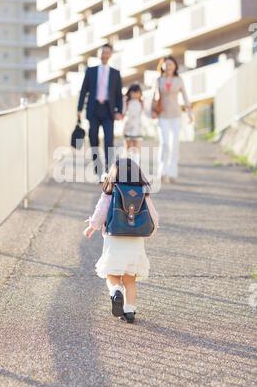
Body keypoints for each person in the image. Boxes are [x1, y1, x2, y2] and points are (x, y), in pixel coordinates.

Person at [83, 158, 159, 324]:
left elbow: (100, 214)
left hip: (114, 240)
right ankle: (129, 310)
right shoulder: (142, 192)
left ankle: (115, 290)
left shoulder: (110, 193)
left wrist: (91, 227)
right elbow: (154, 216)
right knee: (130, 279)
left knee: (112, 275)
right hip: (135, 241)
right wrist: (151, 229)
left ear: (113, 175)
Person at [77, 44, 123, 177]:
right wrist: (79, 109)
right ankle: (98, 170)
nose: (105, 55)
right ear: (99, 54)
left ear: (111, 55)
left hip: (108, 111)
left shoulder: (115, 73)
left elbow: (118, 94)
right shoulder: (90, 71)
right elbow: (84, 91)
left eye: (107, 52)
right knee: (93, 139)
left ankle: (109, 171)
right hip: (94, 109)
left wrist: (119, 110)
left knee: (109, 140)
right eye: (103, 52)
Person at [152, 56, 194, 184]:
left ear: (175, 66)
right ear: (162, 66)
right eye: (166, 65)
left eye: (171, 64)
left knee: (175, 144)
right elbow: (154, 97)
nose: (169, 67)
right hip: (163, 116)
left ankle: (172, 173)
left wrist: (189, 113)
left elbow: (185, 97)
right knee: (164, 144)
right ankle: (162, 172)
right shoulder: (158, 80)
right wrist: (153, 111)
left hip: (176, 115)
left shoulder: (179, 80)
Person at [123, 83, 144, 165]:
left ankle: (135, 165)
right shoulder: (127, 102)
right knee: (128, 147)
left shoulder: (141, 103)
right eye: (133, 92)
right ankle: (127, 165)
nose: (135, 94)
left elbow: (145, 113)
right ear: (130, 93)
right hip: (128, 127)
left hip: (138, 127)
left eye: (137, 92)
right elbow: (123, 112)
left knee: (136, 147)